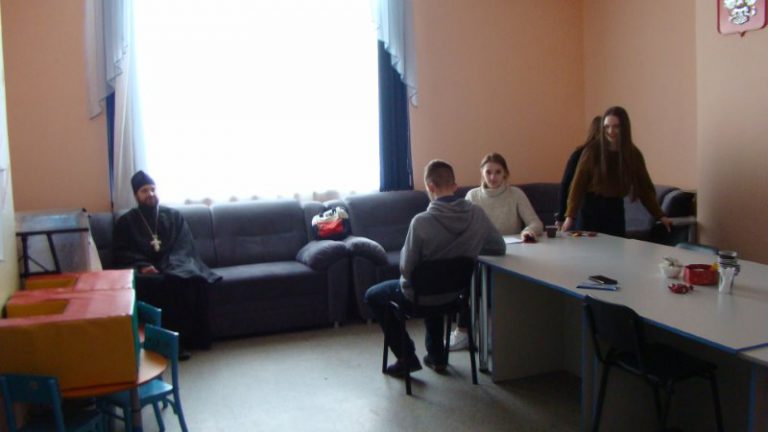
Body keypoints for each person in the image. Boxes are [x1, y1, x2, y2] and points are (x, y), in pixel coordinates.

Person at [364, 160, 505, 376]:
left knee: (374, 295)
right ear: (455, 186)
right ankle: (437, 357)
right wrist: (469, 247)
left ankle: (406, 357)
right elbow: (498, 247)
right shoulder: (477, 214)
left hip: (420, 298)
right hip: (455, 296)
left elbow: (406, 269)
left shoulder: (421, 222)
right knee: (436, 284)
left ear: (430, 187)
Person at [113, 170, 222, 359]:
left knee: (188, 280)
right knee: (155, 284)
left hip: (173, 265)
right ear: (136, 195)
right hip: (145, 270)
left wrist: (170, 266)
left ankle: (188, 340)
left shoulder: (173, 215)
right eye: (144, 191)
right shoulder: (126, 222)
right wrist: (142, 265)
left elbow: (184, 245)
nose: (150, 194)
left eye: (153, 189)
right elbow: (122, 252)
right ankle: (164, 344)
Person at [449, 152, 542, 351]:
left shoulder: (516, 194)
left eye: (498, 172)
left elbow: (535, 222)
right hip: (481, 253)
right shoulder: (473, 196)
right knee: (469, 279)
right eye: (488, 172)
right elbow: (463, 227)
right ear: (482, 174)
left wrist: (528, 231)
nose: (493, 177)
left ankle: (495, 332)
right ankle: (463, 332)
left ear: (505, 173)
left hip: (511, 254)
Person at [561, 106, 672, 236]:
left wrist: (660, 215)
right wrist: (570, 216)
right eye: (606, 127)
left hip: (615, 210)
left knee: (616, 247)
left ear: (624, 128)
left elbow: (645, 188)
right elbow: (578, 185)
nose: (610, 131)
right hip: (590, 211)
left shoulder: (633, 154)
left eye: (616, 127)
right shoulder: (592, 150)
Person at [554, 116, 603, 228]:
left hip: (589, 210)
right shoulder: (581, 154)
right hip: (586, 209)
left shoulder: (612, 155)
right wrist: (561, 216)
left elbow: (565, 184)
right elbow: (566, 185)